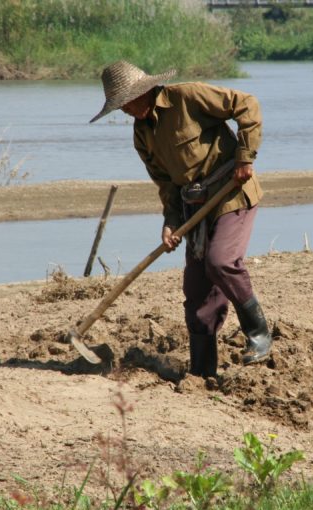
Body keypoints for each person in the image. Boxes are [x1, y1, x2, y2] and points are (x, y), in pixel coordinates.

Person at [89, 60, 272, 378]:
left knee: (221, 261)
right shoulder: (142, 135)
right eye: (120, 107)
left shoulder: (188, 97)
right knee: (197, 292)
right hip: (194, 208)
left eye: (126, 103)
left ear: (143, 91)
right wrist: (170, 223)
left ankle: (258, 333)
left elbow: (247, 105)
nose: (126, 112)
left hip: (231, 192)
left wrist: (245, 157)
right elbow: (166, 185)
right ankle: (202, 372)